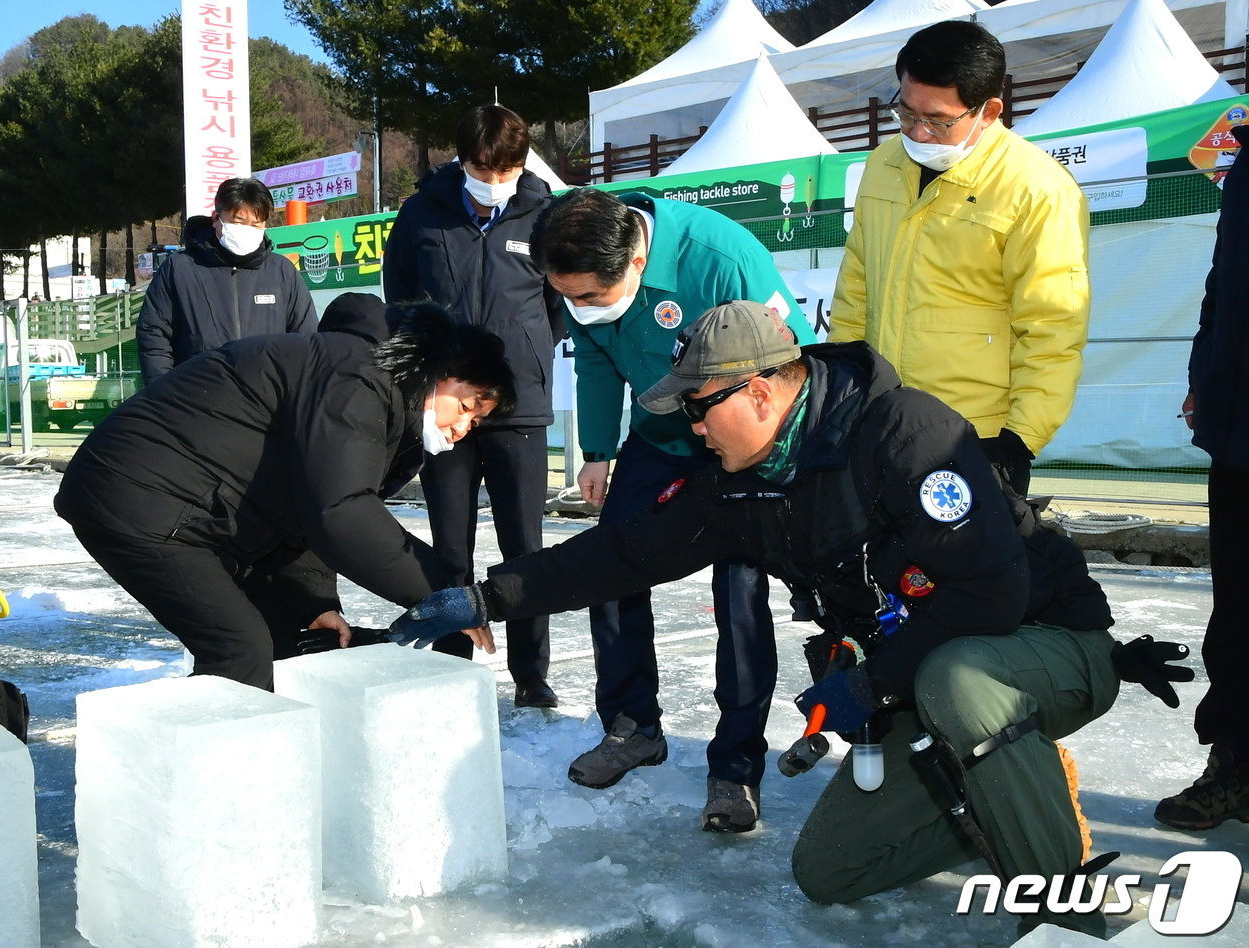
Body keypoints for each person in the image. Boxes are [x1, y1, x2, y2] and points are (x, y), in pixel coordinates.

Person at [391, 300, 1190, 937]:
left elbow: (991, 597)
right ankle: (1003, 795)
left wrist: (872, 682)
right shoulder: (739, 481)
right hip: (929, 683)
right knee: (830, 871)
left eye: (702, 408)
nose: (694, 429)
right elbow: (622, 555)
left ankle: (1062, 902)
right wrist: (488, 596)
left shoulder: (906, 436)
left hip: (1044, 649)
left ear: (762, 390)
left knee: (957, 680)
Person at [528, 187, 817, 832]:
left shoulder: (720, 257)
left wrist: (775, 461)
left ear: (634, 262)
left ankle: (736, 766)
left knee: (739, 596)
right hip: (657, 439)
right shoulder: (585, 271)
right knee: (610, 570)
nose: (577, 309)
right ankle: (631, 727)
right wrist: (598, 449)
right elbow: (598, 365)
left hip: (736, 447)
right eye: (567, 297)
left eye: (587, 298)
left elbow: (790, 359)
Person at [55, 294, 513, 690]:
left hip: (190, 506)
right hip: (141, 498)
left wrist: (313, 605)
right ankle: (188, 782)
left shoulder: (381, 395)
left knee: (286, 639)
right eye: (467, 406)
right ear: (440, 368)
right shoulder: (358, 376)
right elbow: (341, 513)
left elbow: (310, 510)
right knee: (239, 650)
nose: (462, 428)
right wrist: (446, 594)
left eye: (475, 422)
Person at [828, 20, 1090, 496]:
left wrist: (1019, 441)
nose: (920, 134)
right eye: (906, 114)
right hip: (880, 418)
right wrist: (842, 392)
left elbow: (1052, 327)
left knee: (969, 571)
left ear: (989, 111)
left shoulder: (1036, 188)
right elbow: (855, 287)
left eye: (939, 121)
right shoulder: (883, 165)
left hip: (974, 434)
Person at [382, 104, 562, 708]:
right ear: (462, 161)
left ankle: (531, 674)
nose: (495, 177)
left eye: (507, 167)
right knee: (449, 542)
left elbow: (557, 303)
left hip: (519, 405)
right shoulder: (422, 213)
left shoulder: (543, 213)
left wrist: (530, 355)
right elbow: (401, 297)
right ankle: (452, 658)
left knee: (525, 544)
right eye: (484, 167)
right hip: (445, 402)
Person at [1155, 123, 1249, 830]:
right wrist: (1203, 378)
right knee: (1239, 616)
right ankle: (1235, 767)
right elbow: (1223, 287)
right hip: (1239, 429)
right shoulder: (1245, 169)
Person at [135, 176, 316, 384]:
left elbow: (306, 338)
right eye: (238, 221)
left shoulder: (282, 271)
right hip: (198, 401)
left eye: (256, 224)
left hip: (268, 403)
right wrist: (164, 395)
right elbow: (154, 334)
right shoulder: (180, 268)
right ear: (215, 218)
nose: (247, 229)